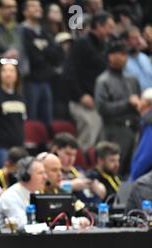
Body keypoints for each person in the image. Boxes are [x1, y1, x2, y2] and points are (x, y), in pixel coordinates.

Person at [64, 12, 115, 152]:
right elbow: (69, 72)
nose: (111, 32)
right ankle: (76, 170)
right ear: (98, 26)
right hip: (83, 102)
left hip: (99, 102)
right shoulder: (82, 43)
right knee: (87, 141)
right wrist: (80, 96)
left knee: (100, 144)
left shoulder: (104, 46)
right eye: (109, 27)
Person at [94, 40, 141, 176]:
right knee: (115, 170)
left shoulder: (132, 79)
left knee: (132, 171)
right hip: (114, 130)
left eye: (125, 54)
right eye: (120, 54)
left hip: (133, 129)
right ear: (110, 56)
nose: (123, 57)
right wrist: (127, 103)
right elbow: (102, 108)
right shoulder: (103, 80)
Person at [0, 156, 47, 230]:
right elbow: (22, 225)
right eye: (40, 173)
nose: (45, 177)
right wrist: (46, 225)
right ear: (26, 176)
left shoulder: (37, 193)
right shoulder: (10, 197)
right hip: (11, 240)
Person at [130, 88, 152, 181]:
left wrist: (133, 178)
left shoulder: (149, 123)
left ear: (147, 104)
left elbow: (146, 156)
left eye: (141, 99)